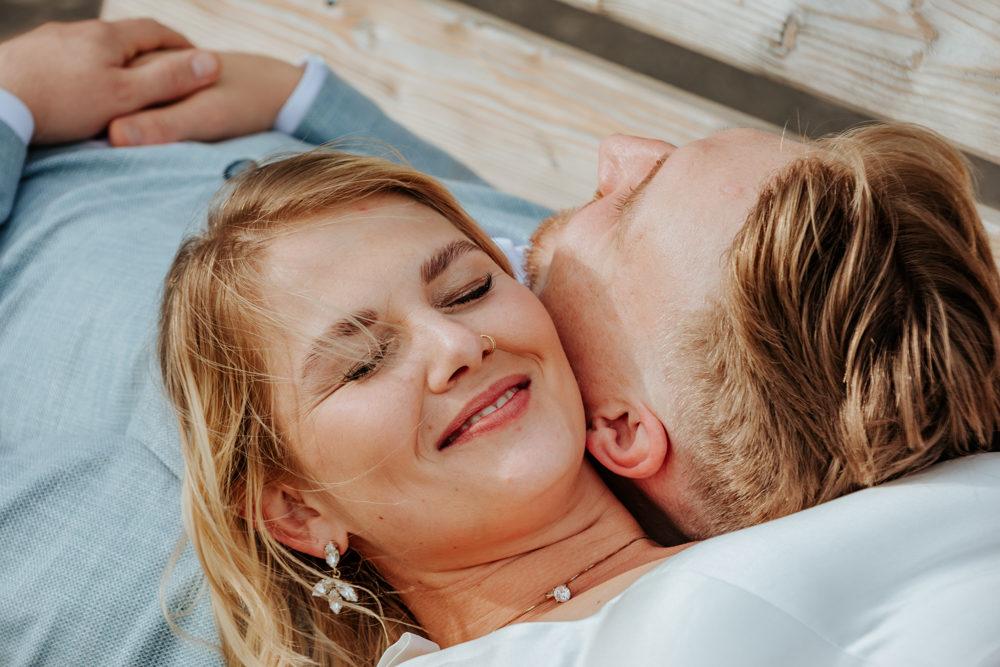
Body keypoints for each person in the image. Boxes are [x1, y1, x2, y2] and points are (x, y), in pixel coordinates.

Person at [0, 17, 998, 667]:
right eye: (485, 275)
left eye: (474, 285)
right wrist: (302, 102)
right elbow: (453, 231)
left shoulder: (154, 577)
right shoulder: (557, 325)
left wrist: (10, 102)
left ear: (294, 507)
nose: (458, 339)